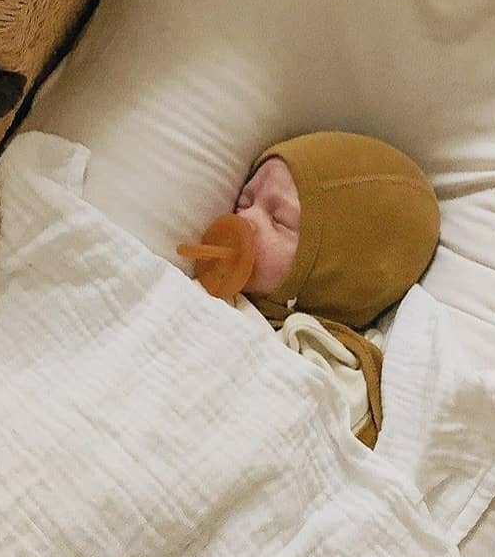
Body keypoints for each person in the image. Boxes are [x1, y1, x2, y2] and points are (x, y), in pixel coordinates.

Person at [187, 131, 440, 448]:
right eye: (244, 201)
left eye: (279, 219)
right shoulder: (205, 292)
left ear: (334, 270)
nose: (246, 220)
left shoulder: (338, 371)